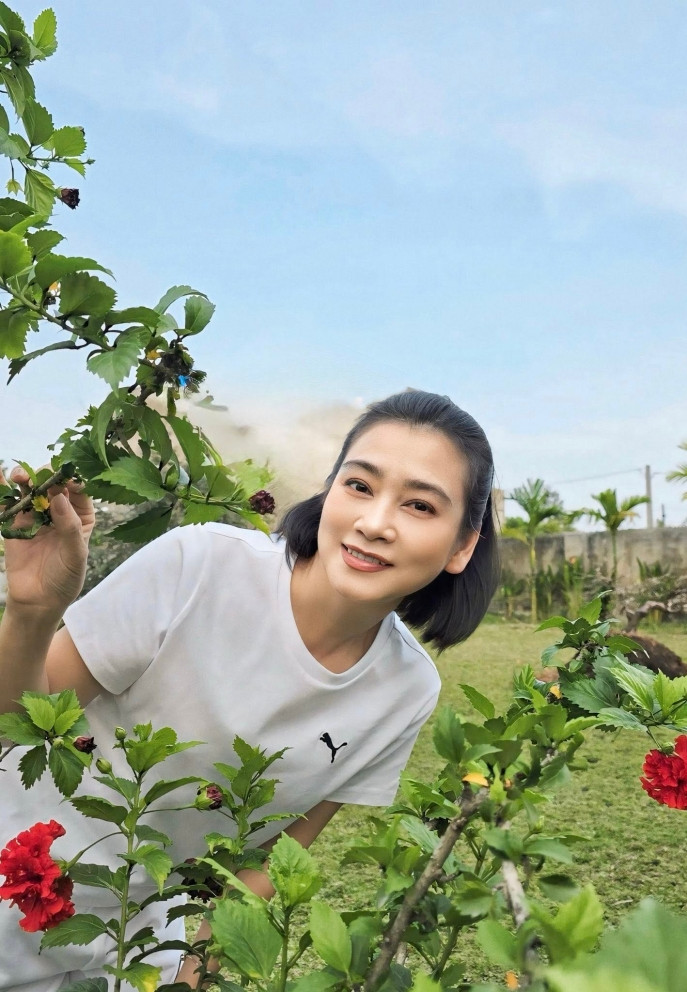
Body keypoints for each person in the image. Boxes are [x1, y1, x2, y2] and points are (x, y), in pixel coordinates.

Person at [0, 390, 500, 991]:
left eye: (419, 505)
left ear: (462, 545)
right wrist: (33, 611)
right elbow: (19, 728)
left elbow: (268, 862)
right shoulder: (200, 565)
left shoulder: (406, 689)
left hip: (132, 942)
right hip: (12, 873)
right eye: (359, 486)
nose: (374, 523)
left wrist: (191, 975)